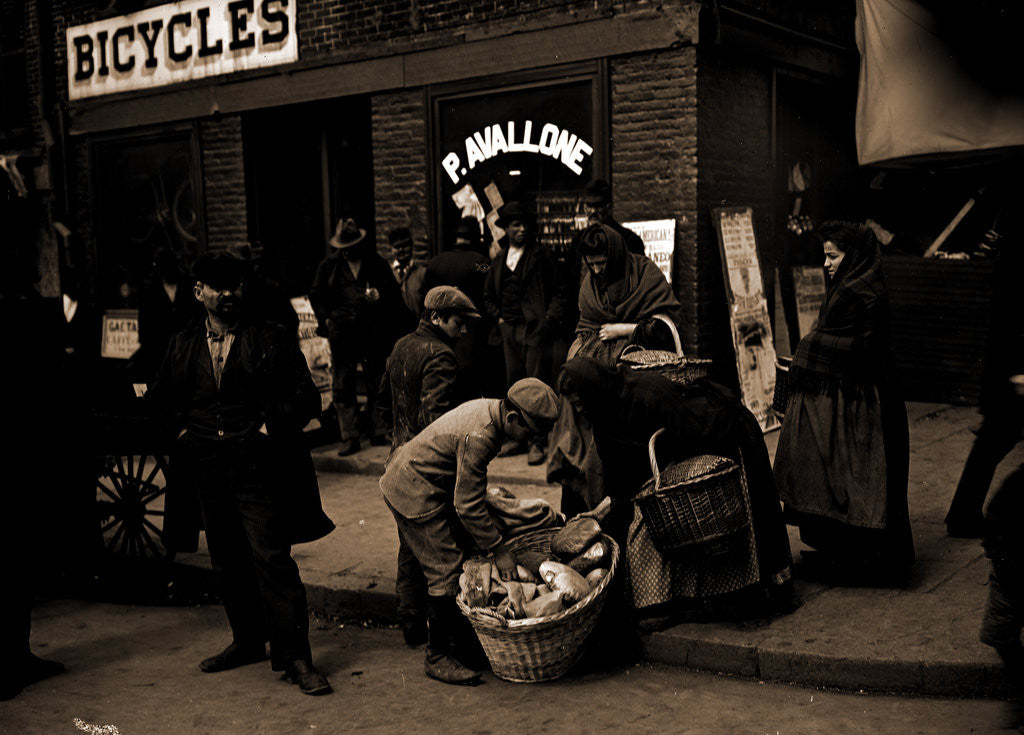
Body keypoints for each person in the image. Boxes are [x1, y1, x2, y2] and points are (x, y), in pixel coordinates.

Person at [147, 251, 336, 696]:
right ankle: (248, 642)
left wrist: (270, 426)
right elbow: (160, 399)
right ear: (199, 293)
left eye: (235, 285)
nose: (229, 294)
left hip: (257, 468)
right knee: (227, 559)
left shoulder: (268, 337)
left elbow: (307, 399)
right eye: (218, 286)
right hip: (206, 471)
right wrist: (181, 432)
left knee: (271, 558)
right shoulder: (181, 344)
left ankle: (295, 657)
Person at [553, 358, 794, 621]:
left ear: (593, 390)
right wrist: (599, 512)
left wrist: (664, 473)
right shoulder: (602, 416)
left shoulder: (647, 394)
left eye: (580, 402)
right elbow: (620, 477)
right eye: (575, 405)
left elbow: (691, 430)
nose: (579, 410)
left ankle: (755, 588)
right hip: (672, 451)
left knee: (740, 512)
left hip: (719, 432)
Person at [378, 378, 560, 684]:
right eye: (530, 433)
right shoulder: (482, 435)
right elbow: (467, 505)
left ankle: (420, 629)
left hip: (416, 479)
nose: (530, 440)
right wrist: (499, 550)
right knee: (445, 569)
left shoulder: (490, 410)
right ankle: (437, 656)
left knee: (419, 553)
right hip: (414, 489)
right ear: (513, 419)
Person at [773, 220, 914, 583]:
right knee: (834, 477)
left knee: (858, 481)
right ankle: (841, 551)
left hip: (867, 403)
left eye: (832, 255)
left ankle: (866, 562)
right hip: (848, 396)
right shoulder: (849, 284)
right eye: (825, 256)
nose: (826, 264)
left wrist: (807, 349)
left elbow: (865, 349)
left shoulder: (866, 292)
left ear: (852, 255)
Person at [379, 285, 481, 646]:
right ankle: (449, 636)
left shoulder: (402, 345)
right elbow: (435, 422)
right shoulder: (441, 356)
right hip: (425, 468)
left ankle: (410, 620)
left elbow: (382, 403)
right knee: (440, 550)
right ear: (437, 318)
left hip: (396, 458)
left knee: (410, 543)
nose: (463, 330)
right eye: (459, 322)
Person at [944, 224, 1024, 537]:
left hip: (1009, 367)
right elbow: (1015, 312)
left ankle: (963, 514)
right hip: (1013, 369)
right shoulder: (1018, 247)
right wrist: (1018, 369)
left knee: (994, 441)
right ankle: (964, 516)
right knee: (994, 440)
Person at [310, 217, 407, 455]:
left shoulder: (375, 262)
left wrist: (379, 296)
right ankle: (350, 436)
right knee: (343, 384)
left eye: (351, 247)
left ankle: (378, 431)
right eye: (343, 248)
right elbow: (315, 294)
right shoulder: (329, 266)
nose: (347, 252)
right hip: (341, 334)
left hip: (370, 332)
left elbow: (393, 293)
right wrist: (327, 319)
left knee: (376, 381)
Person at [483, 200, 566, 464]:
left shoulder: (543, 256)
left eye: (524, 224)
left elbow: (560, 291)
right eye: (515, 225)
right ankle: (518, 438)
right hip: (509, 330)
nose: (521, 229)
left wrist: (549, 319)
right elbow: (486, 292)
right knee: (513, 384)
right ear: (506, 229)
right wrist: (497, 317)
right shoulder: (496, 260)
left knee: (536, 385)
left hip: (535, 330)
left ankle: (538, 442)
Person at [569, 223, 684, 365]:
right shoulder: (590, 285)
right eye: (591, 264)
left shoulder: (645, 273)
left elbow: (663, 329)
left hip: (645, 361)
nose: (596, 270)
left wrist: (622, 330)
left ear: (614, 256)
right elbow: (586, 327)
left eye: (601, 263)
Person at [423, 217, 496, 401]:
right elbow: (490, 292)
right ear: (474, 238)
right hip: (471, 336)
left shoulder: (435, 262)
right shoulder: (480, 262)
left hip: (442, 334)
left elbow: (422, 300)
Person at [980, 462, 1024, 730]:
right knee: (998, 634)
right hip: (1011, 579)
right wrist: (1002, 559)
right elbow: (993, 523)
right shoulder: (1018, 483)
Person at [135, 247, 201, 381]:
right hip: (159, 352)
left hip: (186, 351)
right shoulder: (149, 292)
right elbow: (144, 327)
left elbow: (196, 315)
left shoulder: (187, 285)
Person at [389, 226, 427, 322]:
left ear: (411, 246)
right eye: (397, 247)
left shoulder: (423, 273)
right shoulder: (385, 273)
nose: (401, 250)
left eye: (405, 245)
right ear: (391, 249)